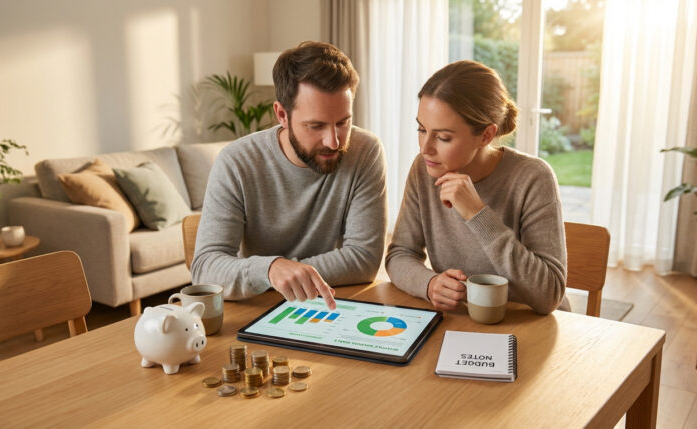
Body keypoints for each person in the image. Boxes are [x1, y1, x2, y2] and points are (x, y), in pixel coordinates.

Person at [192, 41, 387, 310]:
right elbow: (204, 269)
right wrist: (271, 269)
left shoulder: (366, 151)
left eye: (343, 122)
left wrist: (288, 273)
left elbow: (364, 259)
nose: (333, 141)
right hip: (260, 308)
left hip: (332, 304)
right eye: (316, 125)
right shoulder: (236, 162)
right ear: (282, 115)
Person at [385, 60, 569, 314]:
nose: (425, 148)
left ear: (485, 136)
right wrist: (429, 284)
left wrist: (478, 215)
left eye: (443, 137)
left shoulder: (533, 177)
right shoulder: (423, 170)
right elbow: (400, 254)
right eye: (421, 129)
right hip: (462, 321)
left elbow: (549, 295)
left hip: (528, 324)